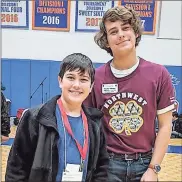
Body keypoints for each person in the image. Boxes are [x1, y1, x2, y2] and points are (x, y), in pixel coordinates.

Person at [84, 6, 174, 182]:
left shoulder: (158, 74)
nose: (121, 34)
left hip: (145, 163)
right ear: (106, 41)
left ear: (135, 33)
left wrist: (153, 169)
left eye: (126, 28)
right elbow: (87, 127)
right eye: (113, 31)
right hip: (108, 164)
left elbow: (165, 125)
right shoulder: (97, 78)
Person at [5, 53, 109, 182]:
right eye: (71, 77)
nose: (76, 85)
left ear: (91, 86)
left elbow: (101, 168)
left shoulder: (95, 123)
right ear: (60, 81)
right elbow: (17, 168)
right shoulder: (35, 118)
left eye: (83, 79)